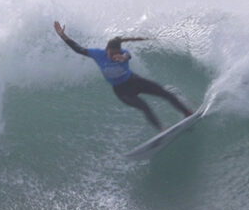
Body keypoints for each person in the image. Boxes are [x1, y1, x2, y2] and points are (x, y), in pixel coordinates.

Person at [54, 21, 192, 130]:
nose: (114, 56)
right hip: (122, 91)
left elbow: (128, 55)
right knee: (144, 107)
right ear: (106, 50)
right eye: (111, 54)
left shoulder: (123, 53)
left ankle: (187, 112)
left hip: (134, 81)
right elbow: (78, 49)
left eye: (116, 53)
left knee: (164, 93)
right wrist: (63, 36)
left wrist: (123, 58)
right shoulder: (97, 54)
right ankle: (162, 130)